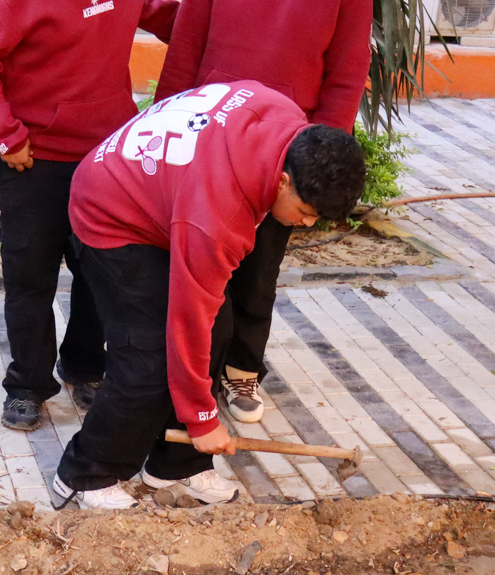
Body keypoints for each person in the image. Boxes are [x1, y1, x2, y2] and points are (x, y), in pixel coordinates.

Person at [52, 83, 366, 509]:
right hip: (110, 213)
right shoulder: (220, 216)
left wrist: (200, 416)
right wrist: (203, 419)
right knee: (148, 354)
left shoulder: (283, 116)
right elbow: (188, 320)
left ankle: (176, 466)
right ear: (284, 179)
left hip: (169, 200)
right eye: (306, 212)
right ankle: (83, 473)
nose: (307, 225)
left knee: (218, 331)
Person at [153, 0, 372, 424]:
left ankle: (243, 368)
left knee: (259, 272)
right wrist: (166, 129)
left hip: (286, 161)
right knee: (200, 263)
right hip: (208, 148)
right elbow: (186, 47)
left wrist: (315, 163)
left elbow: (345, 77)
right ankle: (194, 369)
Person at [0, 0, 176, 431]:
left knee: (100, 273)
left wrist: (207, 16)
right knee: (30, 279)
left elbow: (145, 7)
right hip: (33, 161)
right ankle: (27, 386)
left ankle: (84, 368)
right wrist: (5, 137)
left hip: (105, 159)